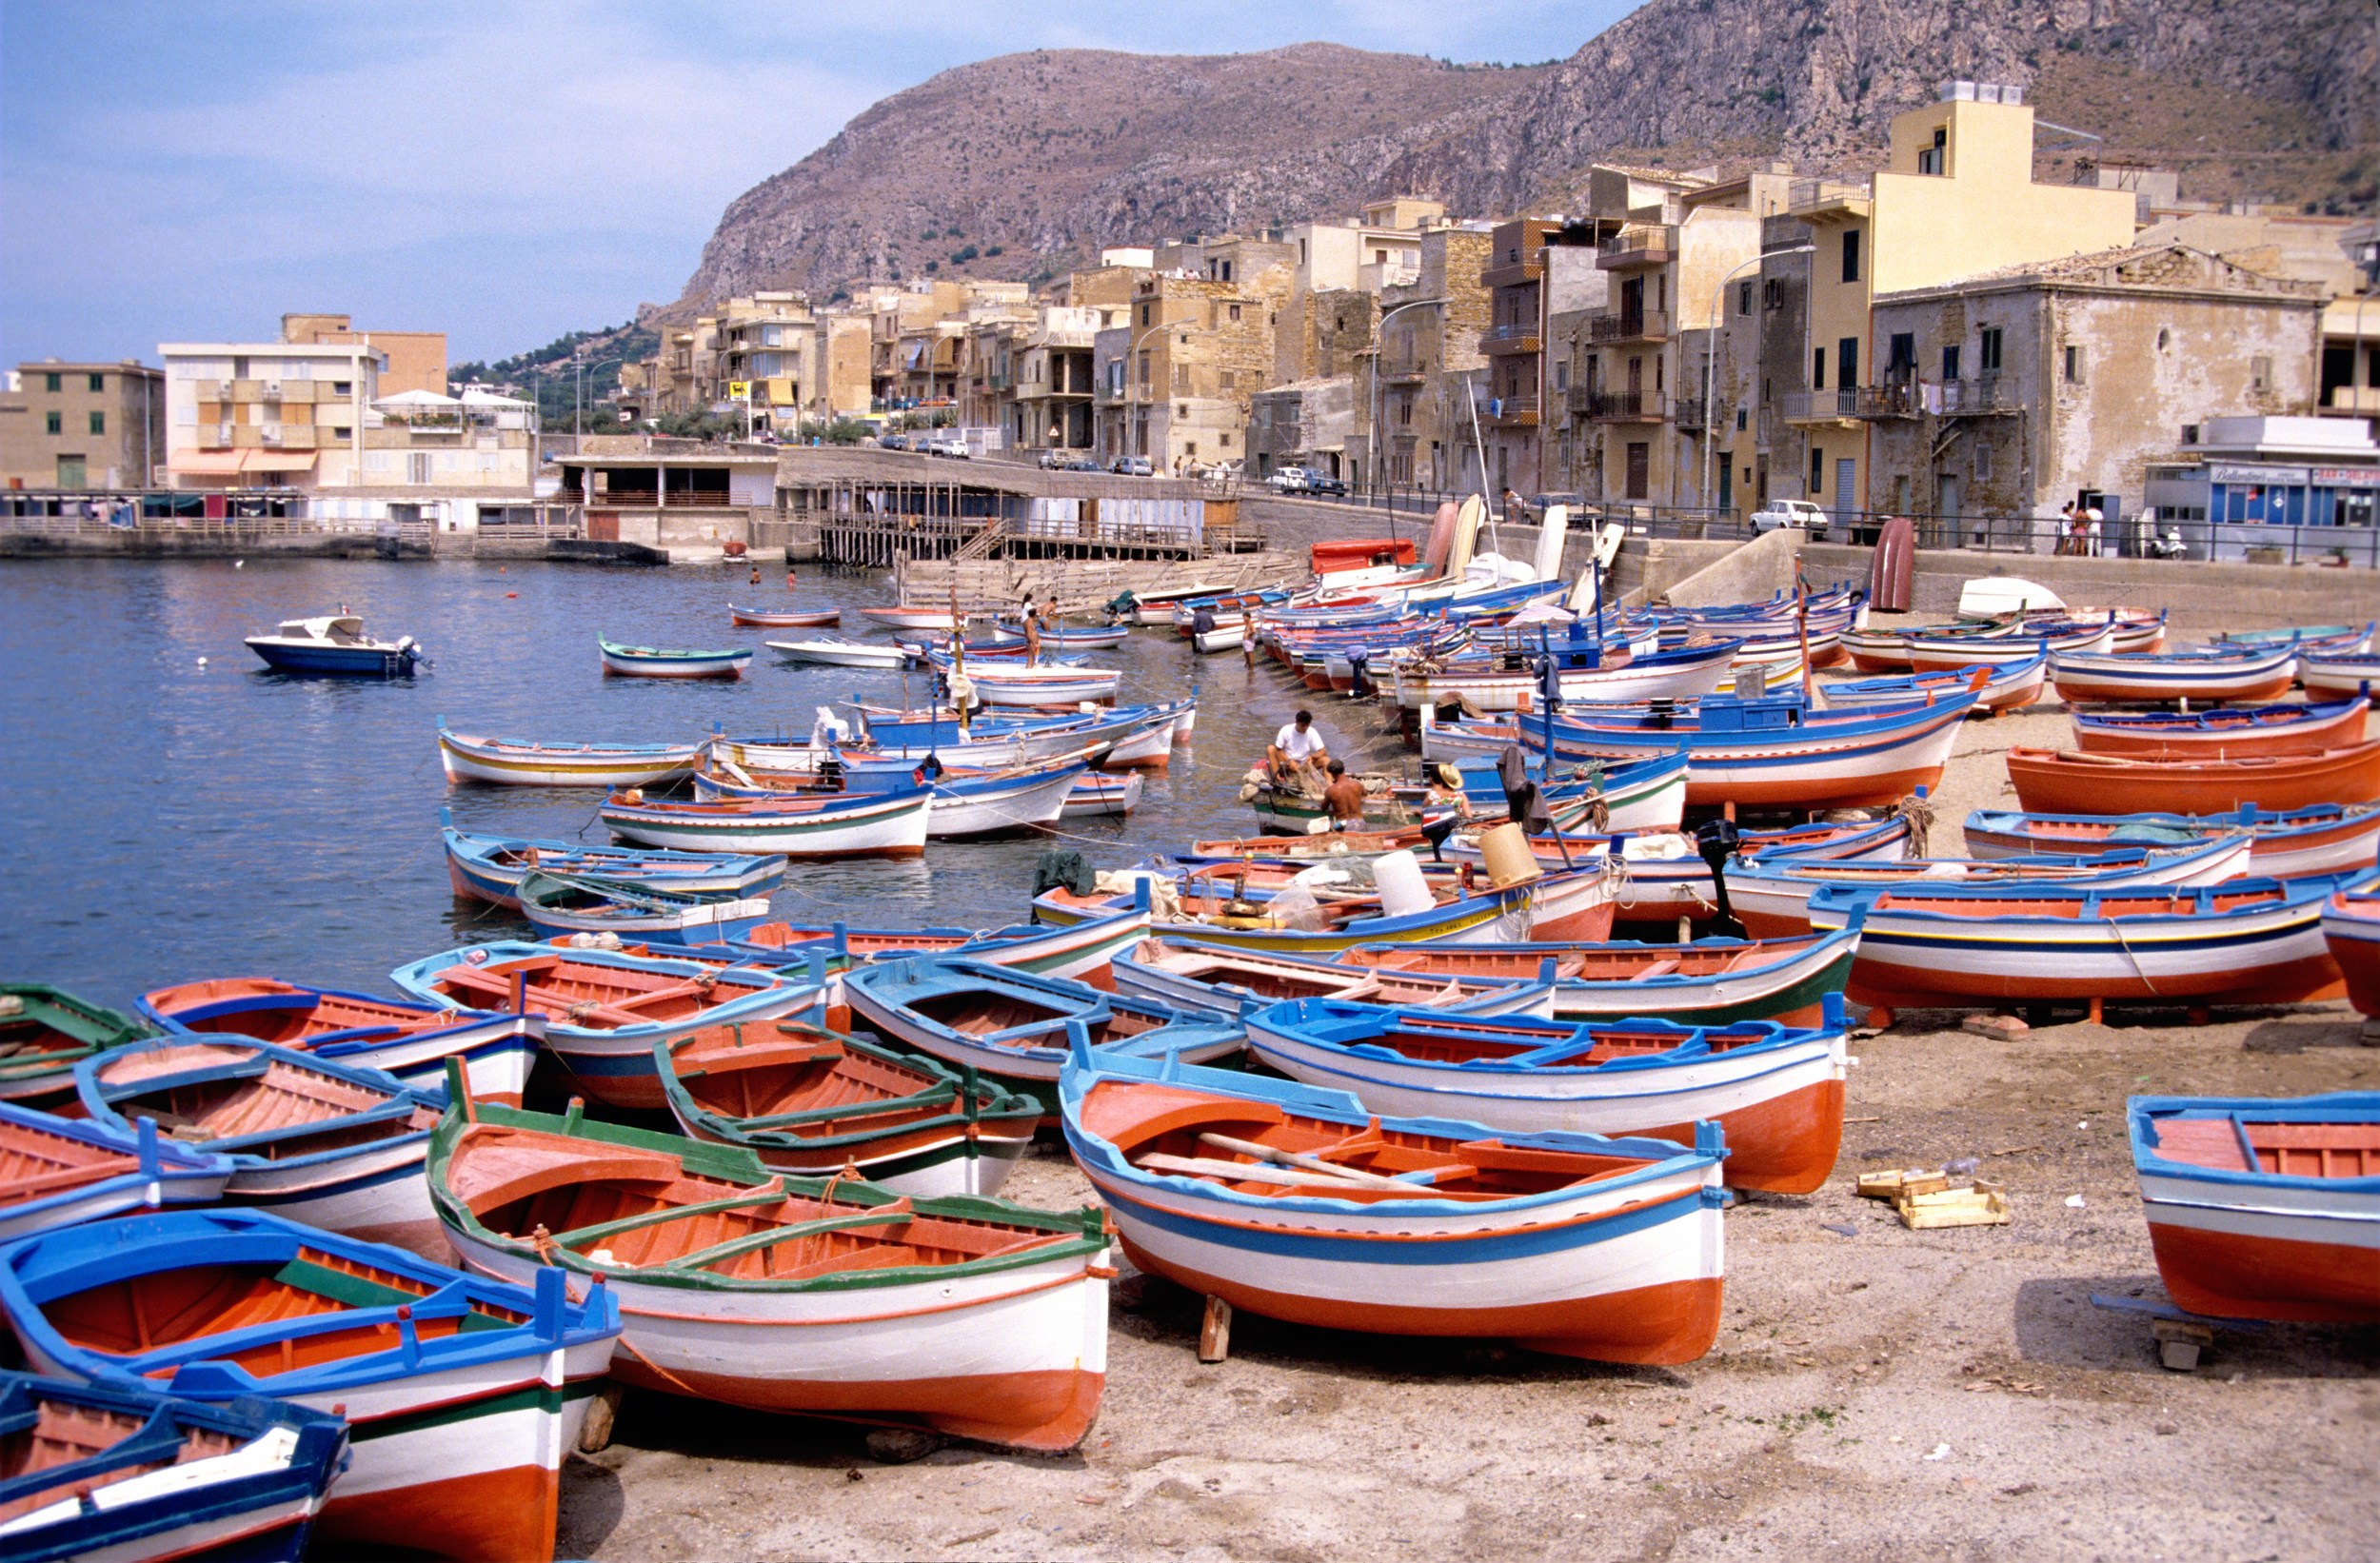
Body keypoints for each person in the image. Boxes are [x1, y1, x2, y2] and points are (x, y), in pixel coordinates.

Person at [1268, 709, 1328, 786]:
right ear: (1296, 722)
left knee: (1326, 760)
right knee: (1270, 748)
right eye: (1303, 725)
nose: (1305, 728)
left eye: (1307, 725)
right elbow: (1278, 749)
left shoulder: (1312, 732)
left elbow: (1322, 750)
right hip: (1287, 764)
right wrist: (1289, 761)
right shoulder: (1286, 730)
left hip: (1304, 765)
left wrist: (1312, 757)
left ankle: (1328, 784)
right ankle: (1277, 778)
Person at [1321, 760, 1366, 829]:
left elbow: (1323, 808)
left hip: (1343, 825)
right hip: (1360, 823)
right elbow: (1365, 794)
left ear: (1332, 774)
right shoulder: (1357, 785)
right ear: (1344, 769)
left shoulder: (1330, 790)